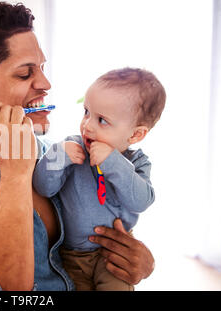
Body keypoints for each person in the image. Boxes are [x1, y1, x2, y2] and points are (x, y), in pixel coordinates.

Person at [0, 2, 155, 291]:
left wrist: (139, 261)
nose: (46, 83)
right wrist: (15, 174)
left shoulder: (57, 153)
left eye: (43, 68)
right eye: (25, 73)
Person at [32, 68, 166, 290]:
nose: (88, 125)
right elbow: (43, 188)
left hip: (115, 256)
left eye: (102, 120)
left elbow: (141, 201)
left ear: (135, 135)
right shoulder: (72, 148)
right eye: (86, 112)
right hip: (72, 257)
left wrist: (112, 161)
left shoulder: (137, 163)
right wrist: (58, 156)